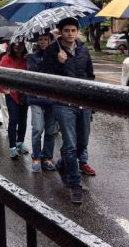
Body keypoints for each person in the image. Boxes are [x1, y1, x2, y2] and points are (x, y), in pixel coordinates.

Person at [41, 17, 95, 205]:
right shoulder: (52, 51)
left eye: (73, 30)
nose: (70, 34)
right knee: (70, 144)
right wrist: (59, 63)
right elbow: (45, 77)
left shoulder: (83, 49)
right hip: (63, 103)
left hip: (83, 103)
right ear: (60, 32)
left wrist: (91, 101)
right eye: (66, 31)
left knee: (82, 144)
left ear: (77, 32)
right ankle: (75, 184)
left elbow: (90, 75)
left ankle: (62, 164)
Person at [26, 33, 56, 173]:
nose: (43, 42)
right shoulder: (32, 57)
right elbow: (35, 73)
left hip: (52, 99)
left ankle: (47, 157)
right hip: (36, 98)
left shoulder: (57, 54)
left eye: (46, 39)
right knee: (38, 128)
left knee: (51, 130)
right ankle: (36, 157)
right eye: (40, 39)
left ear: (50, 41)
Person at [0, 42, 29, 158]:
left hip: (24, 95)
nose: (18, 47)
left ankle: (20, 142)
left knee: (23, 119)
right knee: (13, 119)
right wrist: (3, 89)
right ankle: (12, 146)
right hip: (11, 95)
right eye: (15, 45)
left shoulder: (27, 59)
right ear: (11, 46)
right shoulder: (6, 59)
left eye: (20, 45)